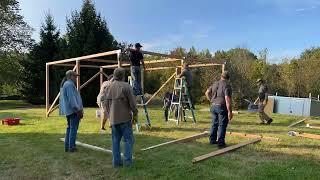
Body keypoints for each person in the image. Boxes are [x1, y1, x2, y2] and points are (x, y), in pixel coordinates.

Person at [104, 68, 138, 167]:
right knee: (128, 140)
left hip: (113, 119)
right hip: (125, 118)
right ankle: (127, 162)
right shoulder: (126, 86)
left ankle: (116, 162)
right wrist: (135, 112)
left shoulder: (108, 87)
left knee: (115, 141)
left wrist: (109, 116)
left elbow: (105, 104)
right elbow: (132, 103)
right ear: (123, 76)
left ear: (114, 75)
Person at [205, 71, 233, 148]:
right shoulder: (227, 85)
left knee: (214, 123)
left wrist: (211, 100)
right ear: (228, 78)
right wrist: (230, 111)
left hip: (213, 106)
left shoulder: (215, 83)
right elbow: (227, 99)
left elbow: (207, 92)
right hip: (221, 106)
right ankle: (221, 143)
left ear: (221, 76)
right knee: (222, 125)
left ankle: (212, 140)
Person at [59, 70, 84, 152]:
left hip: (70, 111)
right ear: (70, 76)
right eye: (75, 76)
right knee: (73, 129)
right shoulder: (69, 85)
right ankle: (71, 147)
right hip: (73, 111)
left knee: (70, 128)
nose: (76, 78)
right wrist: (78, 110)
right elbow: (72, 99)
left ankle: (68, 146)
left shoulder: (66, 84)